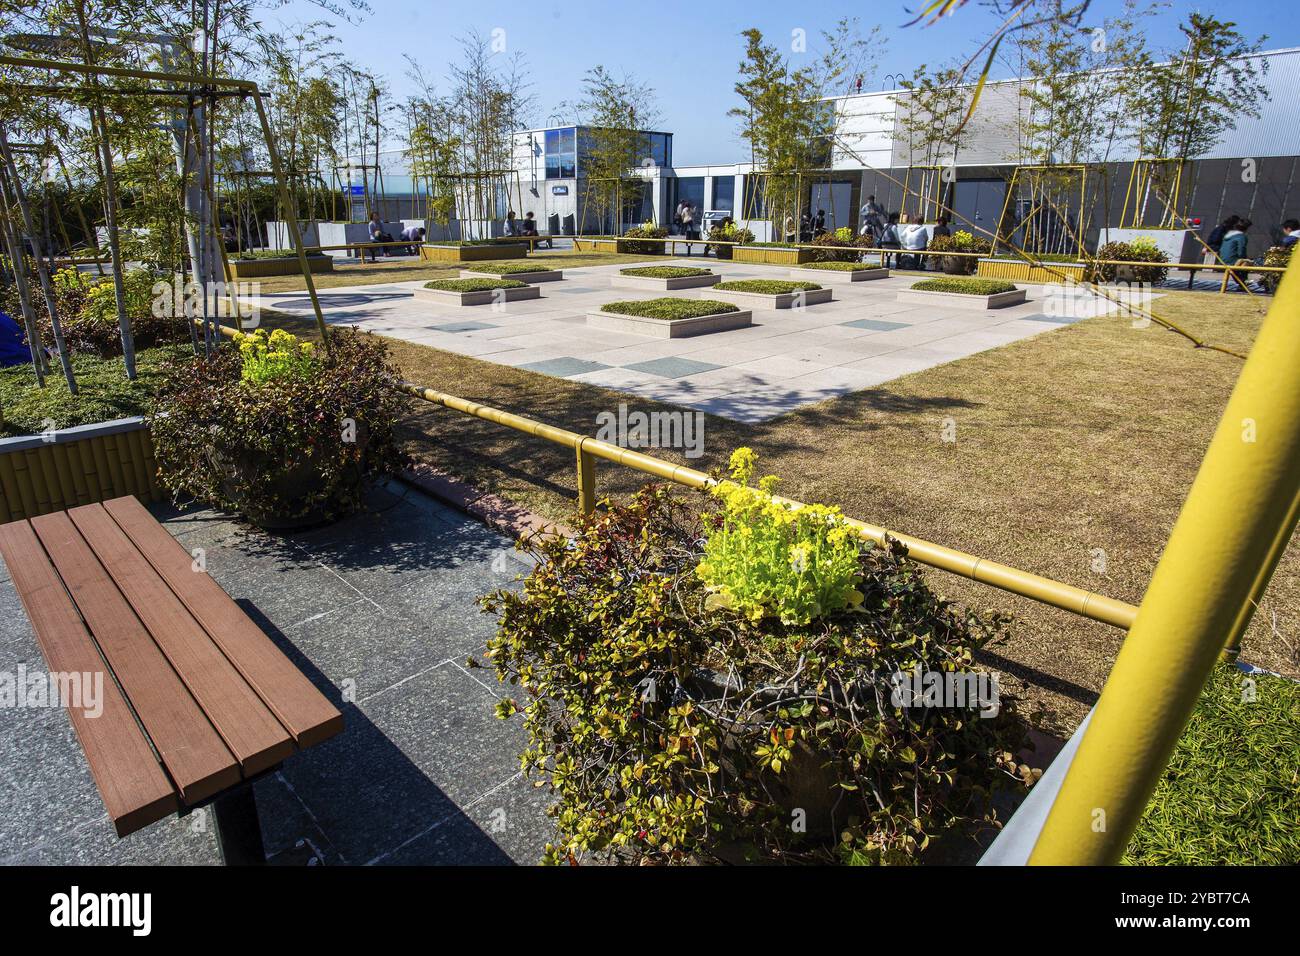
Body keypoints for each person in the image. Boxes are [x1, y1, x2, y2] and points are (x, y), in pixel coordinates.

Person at [1218, 219, 1251, 291]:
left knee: (1236, 267)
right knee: (1246, 263)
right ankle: (1243, 282)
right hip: (1232, 260)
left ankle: (1242, 283)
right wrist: (1245, 258)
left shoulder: (1228, 235)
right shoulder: (1241, 236)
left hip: (1222, 259)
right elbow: (1241, 251)